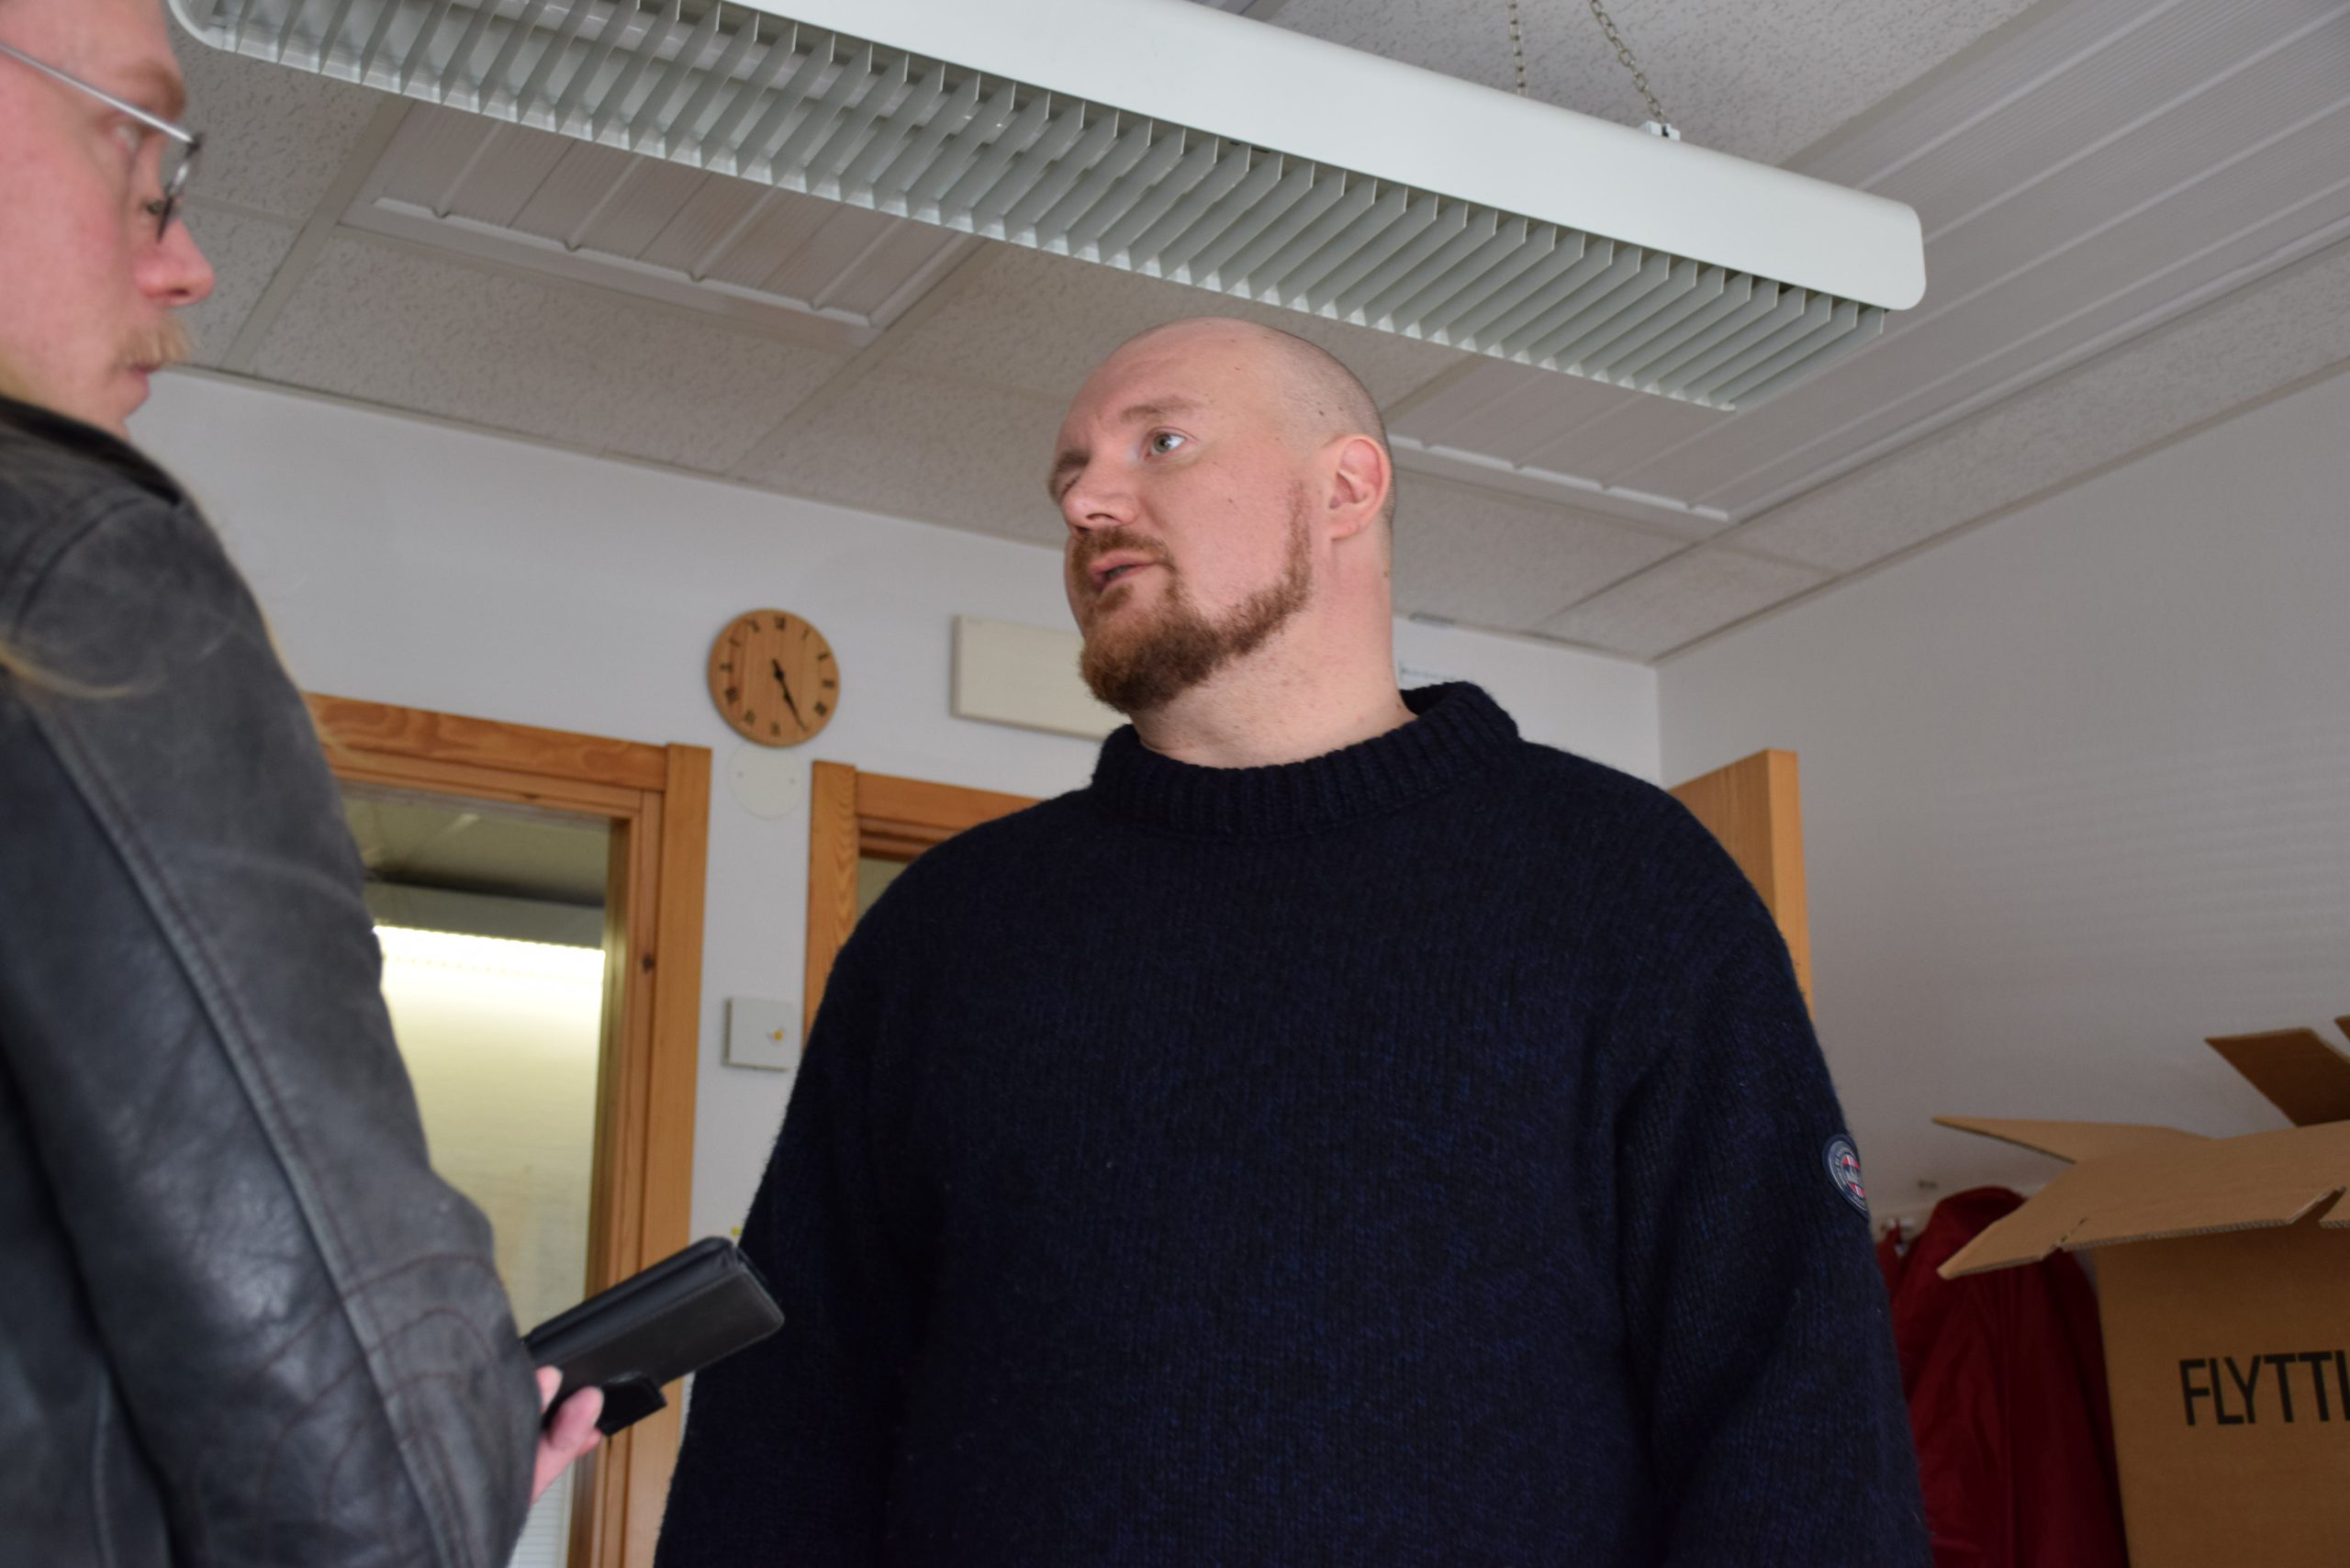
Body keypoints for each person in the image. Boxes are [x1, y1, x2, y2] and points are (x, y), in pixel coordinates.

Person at [655, 316, 1929, 1564]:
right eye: (1070, 476)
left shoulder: (1629, 885)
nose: (1087, 501)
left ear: (1347, 488)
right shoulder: (945, 931)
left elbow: (1799, 1421)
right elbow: (788, 1421)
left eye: (1160, 443)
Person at [0, 1, 601, 1561]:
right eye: (139, 156)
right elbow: (342, 1431)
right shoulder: (72, 570)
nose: (186, 262)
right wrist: (444, 1478)